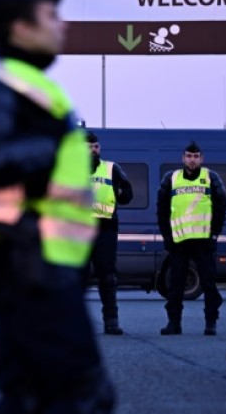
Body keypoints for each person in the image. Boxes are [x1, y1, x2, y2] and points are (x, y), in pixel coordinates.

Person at [0, 0, 114, 413]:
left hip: (41, 258)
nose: (61, 25)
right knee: (82, 394)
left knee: (28, 395)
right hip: (27, 257)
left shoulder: (32, 86)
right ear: (20, 27)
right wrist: (49, 149)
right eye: (51, 15)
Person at [156, 141, 226, 335]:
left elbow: (221, 207)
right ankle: (174, 323)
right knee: (176, 284)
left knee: (208, 283)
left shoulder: (211, 178)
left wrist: (214, 234)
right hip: (179, 242)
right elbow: (162, 211)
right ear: (183, 158)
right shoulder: (171, 179)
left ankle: (211, 322)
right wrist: (167, 238)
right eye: (189, 156)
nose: (192, 160)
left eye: (196, 156)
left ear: (201, 159)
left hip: (204, 241)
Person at [86, 132, 133, 335]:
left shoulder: (112, 169)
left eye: (96, 146)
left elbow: (128, 193)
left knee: (107, 277)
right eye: (89, 147)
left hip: (105, 229)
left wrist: (121, 195)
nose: (93, 150)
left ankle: (111, 321)